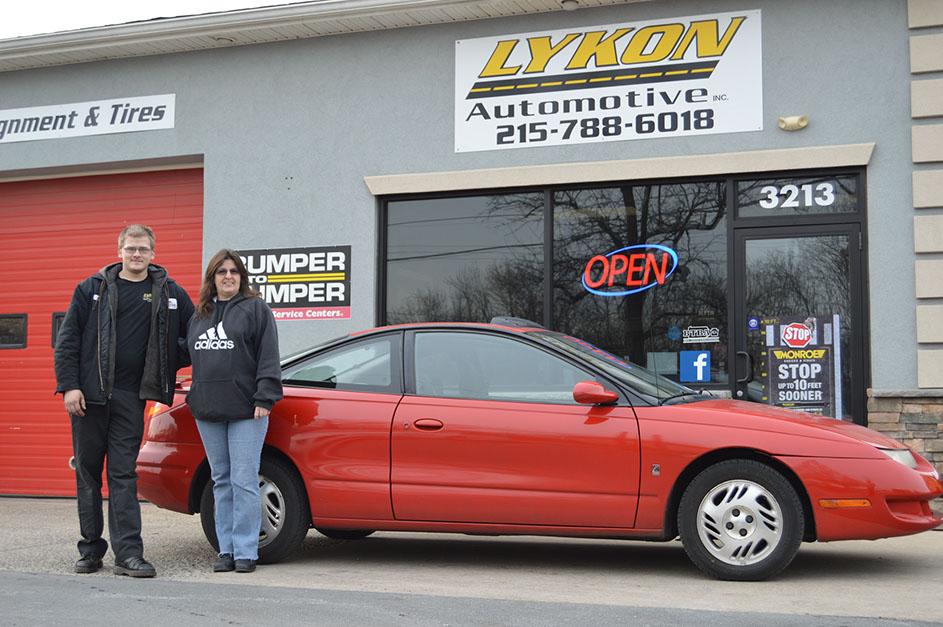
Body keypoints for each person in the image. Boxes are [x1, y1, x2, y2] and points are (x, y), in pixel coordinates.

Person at [54, 224, 195, 577]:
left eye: (143, 249)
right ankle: (90, 550)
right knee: (88, 474)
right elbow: (68, 340)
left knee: (122, 475)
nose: (136, 255)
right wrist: (70, 386)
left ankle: (129, 554)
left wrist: (168, 359)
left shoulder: (169, 292)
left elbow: (194, 334)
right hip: (89, 398)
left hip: (132, 399)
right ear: (119, 251)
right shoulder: (91, 289)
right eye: (131, 248)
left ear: (153, 253)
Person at [185, 249, 282, 573]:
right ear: (212, 278)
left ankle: (245, 551)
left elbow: (268, 356)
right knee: (221, 481)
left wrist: (264, 398)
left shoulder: (256, 310)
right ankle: (225, 550)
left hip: (246, 412)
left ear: (241, 277)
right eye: (221, 272)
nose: (228, 276)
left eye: (234, 271)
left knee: (243, 480)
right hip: (207, 410)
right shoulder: (199, 315)